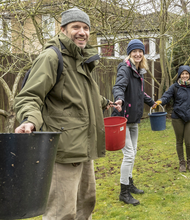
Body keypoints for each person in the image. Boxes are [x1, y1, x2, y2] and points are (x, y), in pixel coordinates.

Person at [14, 8, 114, 219]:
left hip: (83, 148)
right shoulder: (52, 57)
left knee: (86, 204)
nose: (82, 32)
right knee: (62, 212)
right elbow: (29, 96)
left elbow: (84, 96)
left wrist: (106, 103)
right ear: (62, 29)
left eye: (85, 28)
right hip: (62, 150)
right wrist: (30, 120)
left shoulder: (82, 60)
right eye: (75, 27)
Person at [112, 39, 155, 206]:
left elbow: (139, 93)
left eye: (140, 51)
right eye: (134, 51)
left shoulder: (138, 71)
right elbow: (119, 87)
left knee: (133, 153)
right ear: (129, 53)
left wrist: (152, 102)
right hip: (123, 117)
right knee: (128, 155)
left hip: (134, 119)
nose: (138, 54)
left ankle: (129, 184)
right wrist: (119, 99)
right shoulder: (125, 68)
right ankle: (123, 192)